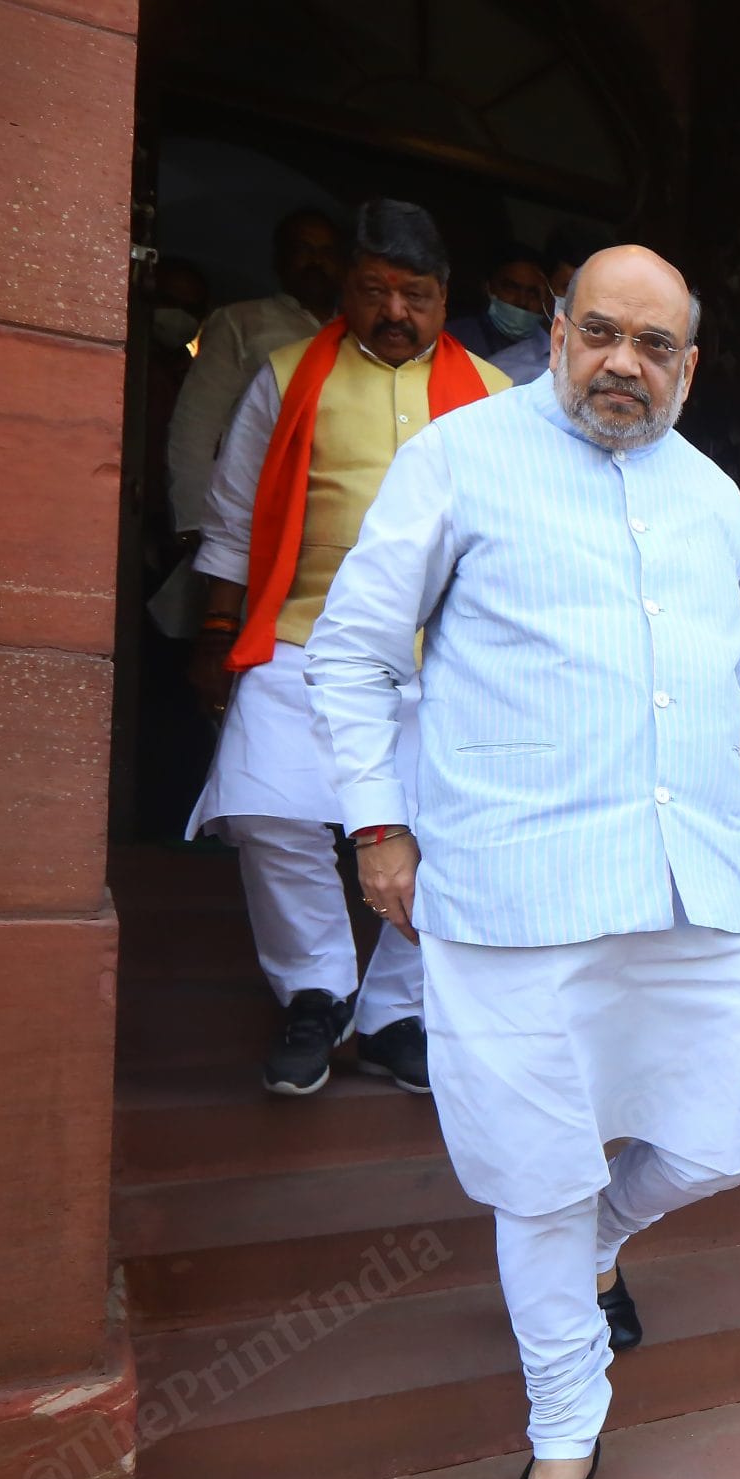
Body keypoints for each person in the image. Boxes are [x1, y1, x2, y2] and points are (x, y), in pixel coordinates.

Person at [305, 244, 740, 1479]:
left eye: (656, 348)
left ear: (690, 368)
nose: (623, 366)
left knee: (739, 1116)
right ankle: (563, 1433)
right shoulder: (463, 455)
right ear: (555, 329)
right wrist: (376, 820)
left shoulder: (712, 498)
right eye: (602, 334)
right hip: (512, 889)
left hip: (685, 876)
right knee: (538, 1177)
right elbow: (355, 654)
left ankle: (606, 1232)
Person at [186, 200, 515, 1096]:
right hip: (303, 640)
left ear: (447, 299)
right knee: (266, 808)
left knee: (444, 832)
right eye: (375, 291)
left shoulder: (494, 396)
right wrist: (216, 632)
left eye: (415, 295)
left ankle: (395, 1013)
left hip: (440, 658)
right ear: (346, 289)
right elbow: (233, 519)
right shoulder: (287, 375)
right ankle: (317, 991)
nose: (395, 313)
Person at [165, 209, 343, 541]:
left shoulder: (357, 335)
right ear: (280, 260)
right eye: (304, 250)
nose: (316, 262)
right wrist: (193, 522)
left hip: (333, 524)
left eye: (327, 253)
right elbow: (196, 426)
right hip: (250, 517)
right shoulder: (240, 322)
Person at [446, 244, 553, 383]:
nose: (522, 301)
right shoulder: (454, 339)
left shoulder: (552, 351)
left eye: (533, 293)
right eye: (511, 288)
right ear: (488, 288)